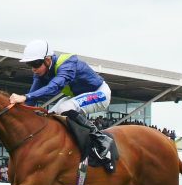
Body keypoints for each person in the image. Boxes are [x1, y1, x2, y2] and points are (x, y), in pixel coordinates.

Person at [8, 39, 115, 172]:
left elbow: (54, 86)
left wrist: (25, 97)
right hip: (76, 96)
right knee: (48, 115)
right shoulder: (40, 72)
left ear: (47, 60)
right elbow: (31, 100)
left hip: (100, 93)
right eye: (30, 64)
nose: (33, 69)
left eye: (35, 64)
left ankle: (101, 140)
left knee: (65, 108)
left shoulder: (67, 63)